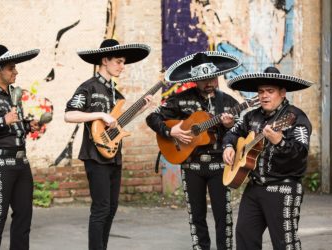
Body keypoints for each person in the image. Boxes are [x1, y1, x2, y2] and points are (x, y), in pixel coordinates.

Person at [146, 51, 241, 250]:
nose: (209, 83)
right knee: (196, 217)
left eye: (212, 78)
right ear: (194, 80)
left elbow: (240, 133)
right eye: (203, 79)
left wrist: (228, 125)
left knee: (224, 217)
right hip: (191, 165)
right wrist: (171, 131)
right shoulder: (180, 100)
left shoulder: (229, 103)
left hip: (219, 166)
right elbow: (153, 118)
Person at [64, 39, 152, 250]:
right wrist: (100, 114)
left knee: (111, 208)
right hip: (94, 156)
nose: (122, 66)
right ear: (105, 60)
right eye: (119, 61)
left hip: (114, 154)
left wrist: (142, 108)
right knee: (101, 208)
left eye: (123, 62)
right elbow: (69, 115)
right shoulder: (88, 87)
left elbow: (117, 124)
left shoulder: (116, 93)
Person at [222, 66, 313, 250]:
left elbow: (301, 153)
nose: (264, 96)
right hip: (254, 188)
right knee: (244, 237)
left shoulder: (295, 117)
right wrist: (229, 146)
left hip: (283, 187)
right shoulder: (251, 116)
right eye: (261, 91)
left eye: (270, 91)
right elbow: (232, 133)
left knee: (285, 243)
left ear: (282, 93)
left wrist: (280, 142)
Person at [0, 44, 41, 250]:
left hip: (20, 162)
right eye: (11, 68)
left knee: (24, 215)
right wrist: (2, 120)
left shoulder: (13, 96)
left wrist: (27, 125)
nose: (16, 71)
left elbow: (13, 127)